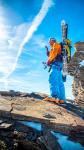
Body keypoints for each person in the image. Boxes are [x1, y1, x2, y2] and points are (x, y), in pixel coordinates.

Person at [45, 38, 66, 103]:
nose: (49, 43)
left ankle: (54, 97)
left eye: (49, 41)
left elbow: (54, 52)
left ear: (52, 40)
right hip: (59, 66)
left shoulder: (55, 44)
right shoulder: (58, 47)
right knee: (60, 82)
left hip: (56, 65)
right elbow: (54, 53)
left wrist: (49, 60)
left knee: (53, 79)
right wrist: (48, 52)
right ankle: (61, 99)